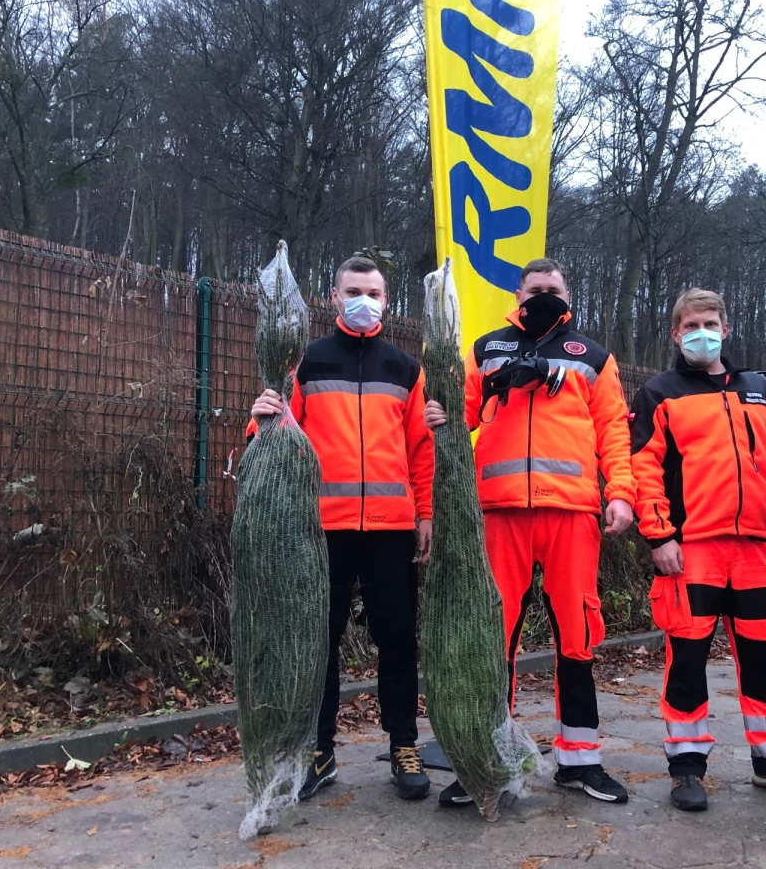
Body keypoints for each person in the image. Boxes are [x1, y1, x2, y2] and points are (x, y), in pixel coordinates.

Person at [423, 257, 637, 805]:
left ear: (569, 295)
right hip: (500, 512)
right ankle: (486, 760)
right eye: (535, 288)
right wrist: (463, 404)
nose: (544, 294)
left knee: (578, 635)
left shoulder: (593, 356)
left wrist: (621, 493)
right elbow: (452, 416)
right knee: (493, 640)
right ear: (517, 294)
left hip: (571, 513)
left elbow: (614, 430)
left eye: (554, 288)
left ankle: (579, 761)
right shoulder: (486, 348)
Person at [628, 288, 766, 812]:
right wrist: (659, 536)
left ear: (726, 328)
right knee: (687, 661)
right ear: (676, 333)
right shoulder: (659, 393)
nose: (703, 332)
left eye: (712, 322)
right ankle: (687, 766)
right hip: (691, 549)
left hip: (756, 550)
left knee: (762, 657)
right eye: (692, 324)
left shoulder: (759, 388)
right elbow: (642, 471)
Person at [247, 255, 434, 801]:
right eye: (354, 290)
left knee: (397, 641)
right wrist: (259, 418)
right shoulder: (303, 364)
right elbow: (272, 439)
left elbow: (420, 450)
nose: (364, 300)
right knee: (319, 644)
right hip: (320, 531)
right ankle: (319, 750)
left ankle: (404, 747)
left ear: (386, 301)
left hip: (391, 530)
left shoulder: (405, 368)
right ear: (333, 296)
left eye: (373, 292)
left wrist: (425, 515)